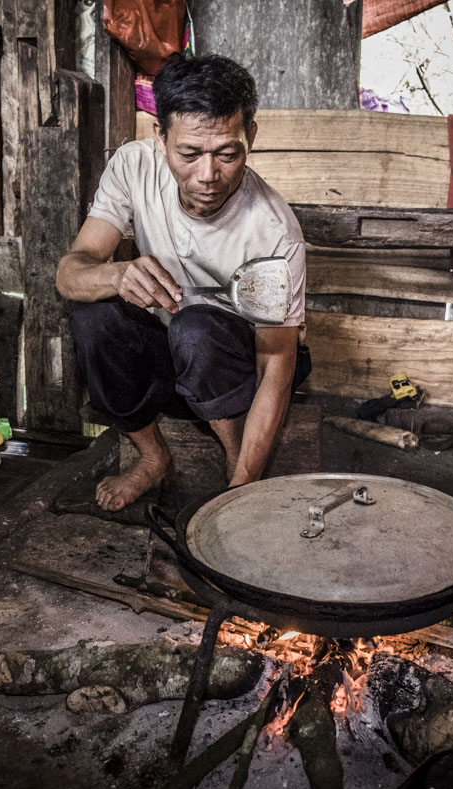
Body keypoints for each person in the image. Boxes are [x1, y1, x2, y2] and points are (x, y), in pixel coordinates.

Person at [56, 54, 309, 512]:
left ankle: (236, 474)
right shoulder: (133, 166)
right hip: (172, 362)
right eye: (189, 153)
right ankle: (153, 457)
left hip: (238, 368)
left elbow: (276, 362)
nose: (208, 176)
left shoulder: (273, 228)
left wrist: (244, 480)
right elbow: (70, 273)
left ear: (250, 137)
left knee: (195, 328)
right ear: (159, 136)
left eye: (228, 154)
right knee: (94, 316)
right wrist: (115, 273)